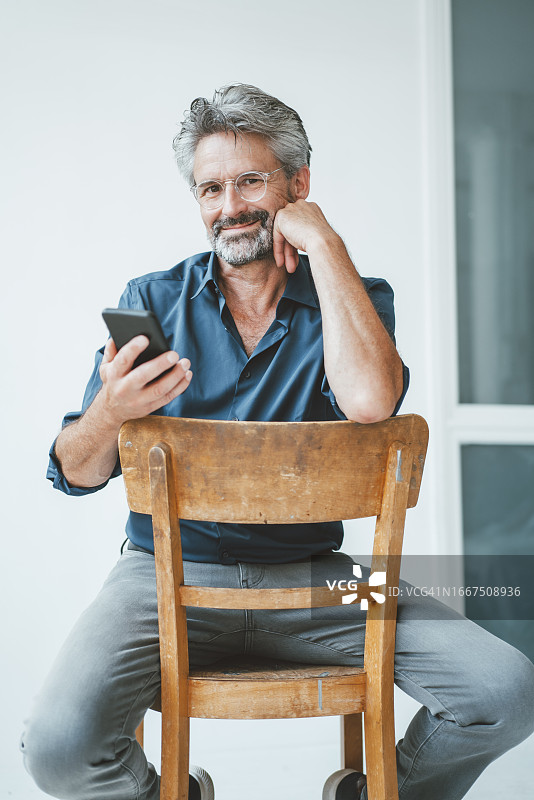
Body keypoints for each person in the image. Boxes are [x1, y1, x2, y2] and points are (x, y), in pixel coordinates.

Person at [21, 84, 534, 800]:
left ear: (298, 185)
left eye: (250, 181)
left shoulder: (354, 295)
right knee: (55, 747)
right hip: (161, 576)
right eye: (210, 188)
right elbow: (74, 474)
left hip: (319, 573)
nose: (228, 206)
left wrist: (324, 243)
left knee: (506, 689)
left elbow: (370, 400)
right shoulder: (151, 303)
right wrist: (109, 412)